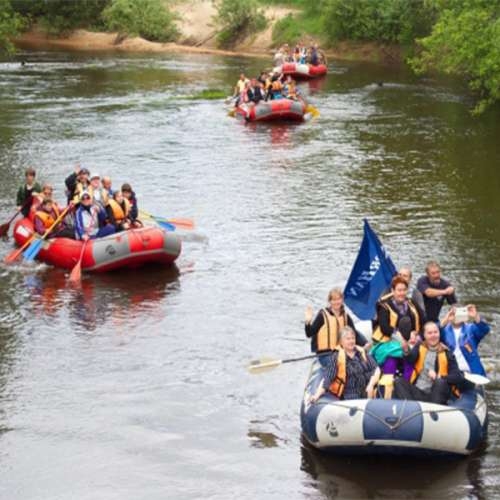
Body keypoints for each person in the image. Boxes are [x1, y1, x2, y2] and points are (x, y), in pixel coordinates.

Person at [371, 276, 425, 395]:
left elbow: (422, 322)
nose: (401, 293)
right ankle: (387, 390)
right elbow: (385, 328)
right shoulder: (384, 306)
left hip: (409, 342)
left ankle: (406, 388)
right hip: (387, 342)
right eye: (399, 290)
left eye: (404, 290)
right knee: (392, 359)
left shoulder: (412, 303)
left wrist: (415, 335)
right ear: (393, 291)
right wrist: (400, 338)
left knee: (410, 360)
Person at [394, 322, 465, 405]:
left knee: (440, 382)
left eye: (435, 332)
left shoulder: (447, 353)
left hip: (435, 393)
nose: (433, 335)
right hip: (418, 390)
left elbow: (457, 376)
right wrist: (406, 349)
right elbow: (410, 359)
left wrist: (438, 377)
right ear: (424, 335)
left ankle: (432, 410)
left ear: (439, 334)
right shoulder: (419, 347)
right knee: (398, 381)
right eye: (430, 333)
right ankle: (411, 408)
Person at [309, 327, 380, 403]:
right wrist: (316, 396)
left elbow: (376, 369)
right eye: (348, 339)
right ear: (341, 342)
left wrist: (371, 385)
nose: (351, 341)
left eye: (353, 338)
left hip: (368, 391)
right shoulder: (336, 357)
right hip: (351, 396)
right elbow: (327, 379)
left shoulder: (361, 352)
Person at [305, 288, 368, 367]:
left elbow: (354, 332)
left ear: (342, 300)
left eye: (339, 299)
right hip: (325, 355)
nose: (336, 302)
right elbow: (309, 333)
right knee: (342, 365)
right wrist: (308, 322)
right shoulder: (322, 315)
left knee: (359, 362)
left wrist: (364, 343)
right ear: (330, 301)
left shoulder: (345, 316)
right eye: (334, 300)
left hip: (341, 352)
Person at [440, 305, 490, 376]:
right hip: (451, 371)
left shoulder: (471, 329)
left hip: (471, 370)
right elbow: (432, 338)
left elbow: (485, 330)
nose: (456, 316)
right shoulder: (443, 331)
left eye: (458, 313)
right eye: (453, 313)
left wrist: (475, 316)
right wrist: (445, 320)